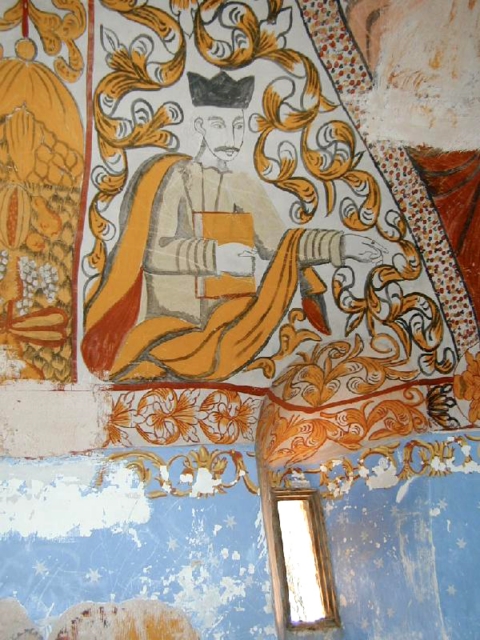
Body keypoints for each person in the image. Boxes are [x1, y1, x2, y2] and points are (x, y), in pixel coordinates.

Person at [82, 72, 384, 382]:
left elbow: (282, 245)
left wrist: (340, 246)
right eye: (219, 125)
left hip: (229, 326)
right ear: (200, 126)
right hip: (172, 328)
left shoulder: (244, 186)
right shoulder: (178, 178)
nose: (231, 138)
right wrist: (216, 256)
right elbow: (155, 253)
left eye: (237, 126)